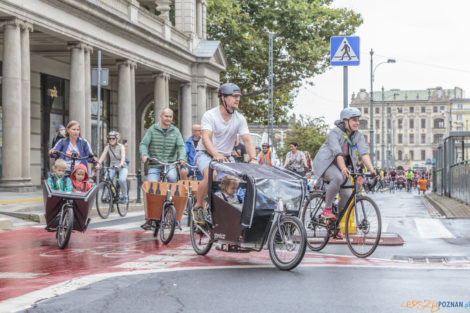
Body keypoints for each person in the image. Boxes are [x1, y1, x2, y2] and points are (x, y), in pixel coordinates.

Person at [192, 83, 257, 224]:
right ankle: (198, 206)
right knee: (212, 175)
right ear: (223, 98)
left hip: (225, 157)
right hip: (205, 154)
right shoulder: (210, 115)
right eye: (234, 96)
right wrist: (215, 154)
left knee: (236, 180)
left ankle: (227, 208)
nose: (237, 99)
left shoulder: (239, 118)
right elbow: (206, 138)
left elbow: (247, 140)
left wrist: (253, 158)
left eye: (238, 97)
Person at [312, 107, 377, 239]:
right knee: (338, 177)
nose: (357, 123)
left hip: (344, 167)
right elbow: (338, 153)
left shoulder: (358, 135)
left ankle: (335, 225)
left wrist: (372, 170)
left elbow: (363, 153)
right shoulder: (334, 133)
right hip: (326, 164)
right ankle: (327, 209)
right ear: (345, 121)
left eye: (358, 120)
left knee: (347, 194)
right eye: (354, 120)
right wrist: (342, 168)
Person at [139, 108, 186, 230]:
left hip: (170, 164)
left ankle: (173, 214)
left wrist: (182, 158)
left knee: (172, 179)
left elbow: (181, 146)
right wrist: (144, 154)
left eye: (170, 117)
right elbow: (144, 144)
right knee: (151, 188)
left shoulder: (175, 131)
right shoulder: (152, 130)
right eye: (166, 116)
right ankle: (149, 218)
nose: (168, 119)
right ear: (161, 116)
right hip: (155, 164)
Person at [96, 131, 129, 204]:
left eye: (113, 138)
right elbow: (103, 156)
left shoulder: (121, 147)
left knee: (122, 180)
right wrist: (98, 163)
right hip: (113, 166)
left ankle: (125, 197)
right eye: (110, 138)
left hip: (122, 166)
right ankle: (106, 196)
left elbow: (123, 156)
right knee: (107, 179)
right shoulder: (107, 147)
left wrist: (121, 163)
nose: (111, 140)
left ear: (117, 139)